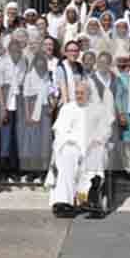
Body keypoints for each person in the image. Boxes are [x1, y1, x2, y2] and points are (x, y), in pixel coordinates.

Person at [49, 80, 113, 217]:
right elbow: (59, 130)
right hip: (71, 145)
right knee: (67, 156)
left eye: (82, 93)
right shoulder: (67, 108)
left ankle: (92, 200)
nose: (79, 96)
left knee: (96, 155)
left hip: (93, 145)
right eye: (77, 93)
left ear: (89, 94)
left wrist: (97, 140)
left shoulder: (98, 109)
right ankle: (63, 202)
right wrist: (68, 142)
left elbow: (106, 129)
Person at [0, 36, 29, 179]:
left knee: (17, 137)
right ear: (8, 50)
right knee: (5, 137)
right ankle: (2, 169)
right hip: (6, 102)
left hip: (19, 102)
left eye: (18, 50)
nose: (16, 52)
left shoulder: (23, 62)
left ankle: (14, 168)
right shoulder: (2, 63)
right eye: (13, 50)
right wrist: (2, 108)